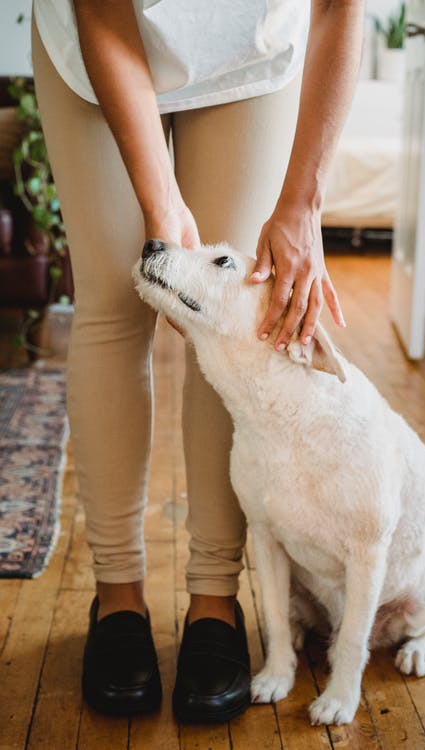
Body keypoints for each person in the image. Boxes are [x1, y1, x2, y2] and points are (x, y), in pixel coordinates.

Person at [31, 0, 364, 723]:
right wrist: (162, 216)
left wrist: (303, 205)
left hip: (249, 57)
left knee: (234, 315)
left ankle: (216, 601)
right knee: (115, 304)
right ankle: (116, 596)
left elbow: (343, 8)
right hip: (100, 44)